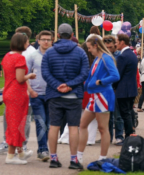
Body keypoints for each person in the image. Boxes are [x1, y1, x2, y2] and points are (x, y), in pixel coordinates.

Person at [42, 23, 89, 169]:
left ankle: (53, 158)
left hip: (54, 94)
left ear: (58, 35)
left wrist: (57, 85)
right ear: (72, 34)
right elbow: (84, 73)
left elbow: (45, 72)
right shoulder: (80, 52)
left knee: (54, 126)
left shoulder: (49, 52)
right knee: (74, 127)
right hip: (73, 95)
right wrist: (70, 85)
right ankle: (74, 160)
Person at [77, 36, 120, 164]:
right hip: (94, 95)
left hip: (103, 95)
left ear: (95, 46)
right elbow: (91, 77)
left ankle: (102, 158)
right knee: (83, 125)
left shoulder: (106, 58)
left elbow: (115, 75)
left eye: (89, 48)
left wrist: (101, 81)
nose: (89, 50)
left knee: (102, 128)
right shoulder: (98, 58)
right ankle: (79, 156)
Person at [1, 33, 36, 164]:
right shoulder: (19, 58)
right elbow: (20, 78)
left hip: (9, 92)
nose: (28, 44)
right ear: (21, 43)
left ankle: (20, 152)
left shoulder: (7, 56)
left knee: (15, 122)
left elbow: (8, 76)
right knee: (17, 124)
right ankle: (11, 155)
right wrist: (30, 75)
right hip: (17, 94)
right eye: (27, 42)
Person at [26, 31, 54, 161]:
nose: (46, 42)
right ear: (38, 41)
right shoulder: (32, 56)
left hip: (51, 94)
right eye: (43, 39)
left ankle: (43, 148)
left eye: (48, 39)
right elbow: (25, 74)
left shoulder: (54, 55)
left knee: (49, 124)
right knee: (40, 122)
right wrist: (30, 90)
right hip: (36, 94)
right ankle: (43, 149)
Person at [114, 34, 138, 142]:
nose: (115, 44)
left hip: (124, 89)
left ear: (122, 42)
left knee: (125, 113)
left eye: (117, 41)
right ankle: (131, 133)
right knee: (128, 112)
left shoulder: (122, 56)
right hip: (131, 88)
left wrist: (113, 86)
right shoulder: (132, 54)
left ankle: (129, 135)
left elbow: (118, 74)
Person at [103, 36, 124, 144]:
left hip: (116, 88)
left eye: (110, 47)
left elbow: (119, 74)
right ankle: (109, 137)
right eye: (106, 47)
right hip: (106, 88)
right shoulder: (104, 56)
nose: (108, 48)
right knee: (108, 115)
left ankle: (119, 136)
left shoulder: (119, 56)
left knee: (117, 115)